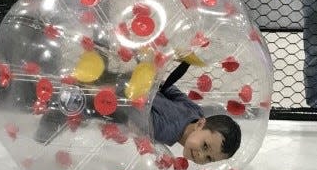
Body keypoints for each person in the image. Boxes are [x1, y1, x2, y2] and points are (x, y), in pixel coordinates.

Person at [35, 60, 241, 164]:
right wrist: (147, 82)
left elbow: (166, 90)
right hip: (114, 102)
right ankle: (40, 136)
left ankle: (56, 100)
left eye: (208, 159)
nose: (200, 155)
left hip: (127, 87)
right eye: (205, 146)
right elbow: (137, 112)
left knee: (83, 88)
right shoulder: (167, 132)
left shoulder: (194, 112)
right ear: (201, 124)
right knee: (76, 105)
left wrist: (149, 81)